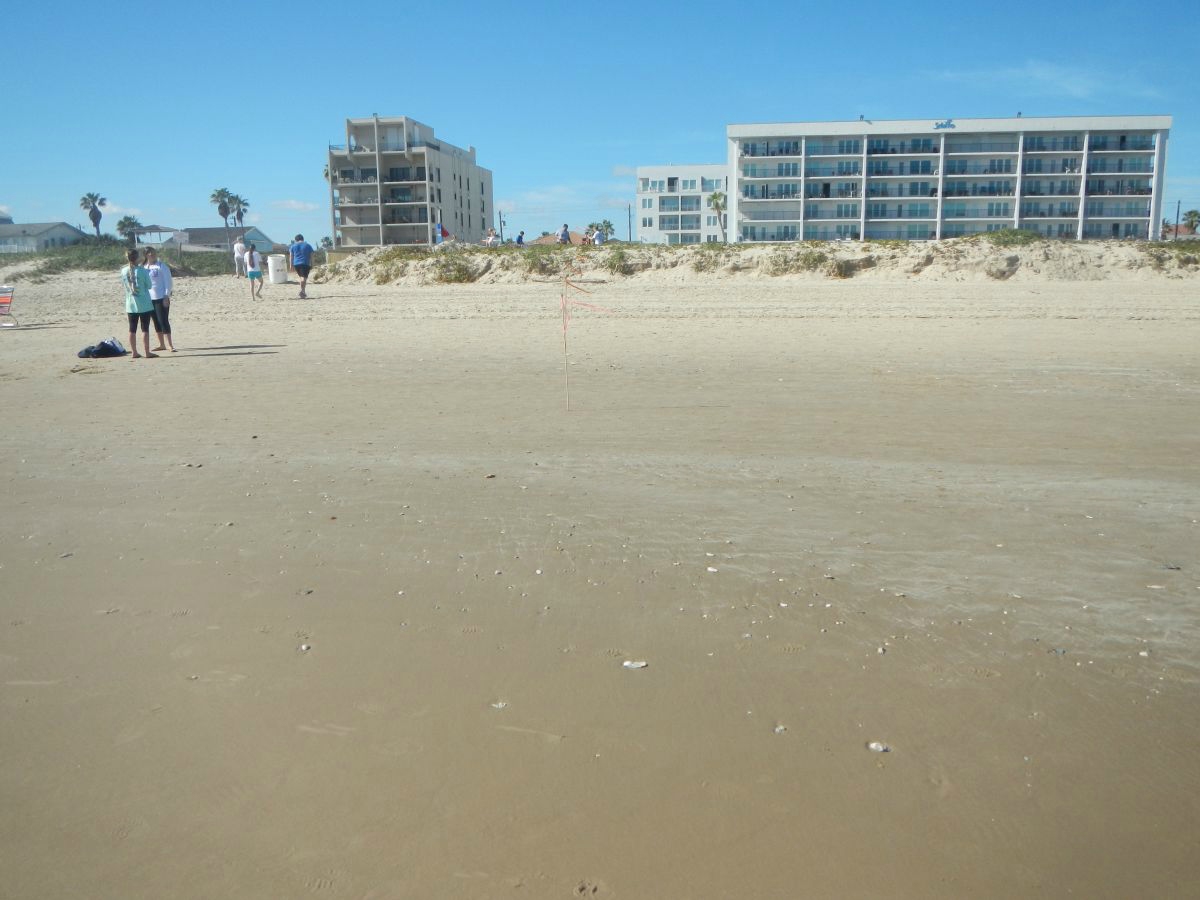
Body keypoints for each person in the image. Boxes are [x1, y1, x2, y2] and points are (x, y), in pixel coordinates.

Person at [121, 249, 156, 359]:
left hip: (130, 304)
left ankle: (134, 352)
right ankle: (147, 352)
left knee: (132, 329)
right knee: (145, 329)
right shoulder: (142, 271)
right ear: (137, 258)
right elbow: (149, 285)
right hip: (144, 303)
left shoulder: (123, 271)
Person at [144, 248, 176, 352]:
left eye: (153, 253)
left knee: (163, 320)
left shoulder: (162, 266)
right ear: (146, 255)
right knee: (156, 322)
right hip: (149, 298)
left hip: (161, 297)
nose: (152, 254)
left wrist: (166, 296)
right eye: (149, 253)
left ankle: (170, 345)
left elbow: (168, 282)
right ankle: (161, 344)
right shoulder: (144, 267)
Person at [289, 233, 315, 299]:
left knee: (303, 278)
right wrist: (312, 264)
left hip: (296, 264)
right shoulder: (308, 245)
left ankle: (303, 292)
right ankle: (302, 291)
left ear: (296, 240)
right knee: (303, 279)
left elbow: (291, 256)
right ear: (303, 239)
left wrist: (291, 265)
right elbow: (312, 256)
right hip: (305, 264)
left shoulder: (293, 246)